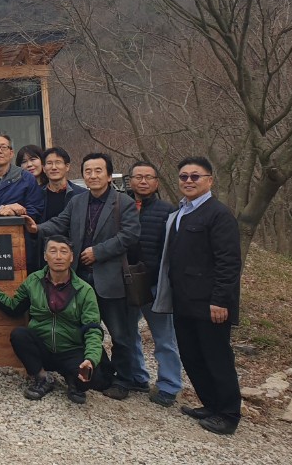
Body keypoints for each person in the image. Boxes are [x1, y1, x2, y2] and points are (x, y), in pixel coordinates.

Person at [23, 152, 143, 400]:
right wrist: (37, 228)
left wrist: (98, 251)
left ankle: (124, 380)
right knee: (83, 329)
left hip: (110, 279)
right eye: (88, 171)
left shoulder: (124, 202)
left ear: (109, 176)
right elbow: (60, 223)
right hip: (79, 278)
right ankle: (94, 373)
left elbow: (130, 235)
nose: (93, 175)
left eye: (98, 171)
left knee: (119, 334)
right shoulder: (77, 201)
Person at [154, 157, 243, 435]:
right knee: (192, 356)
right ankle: (211, 405)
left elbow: (229, 262)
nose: (189, 181)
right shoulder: (180, 212)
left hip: (211, 304)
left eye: (195, 176)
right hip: (184, 301)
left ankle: (228, 414)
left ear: (210, 180)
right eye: (184, 176)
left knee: (217, 358)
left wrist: (220, 300)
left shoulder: (219, 214)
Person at [0, 235, 109, 404]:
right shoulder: (33, 281)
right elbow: (13, 307)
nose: (58, 256)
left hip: (71, 349)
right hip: (43, 347)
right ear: (45, 256)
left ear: (71, 257)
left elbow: (92, 329)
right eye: (53, 251)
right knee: (19, 335)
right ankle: (42, 377)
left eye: (64, 252)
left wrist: (90, 359)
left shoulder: (85, 290)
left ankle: (72, 380)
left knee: (91, 378)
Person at [127, 160, 183, 407]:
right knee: (127, 334)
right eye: (138, 177)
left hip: (155, 284)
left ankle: (169, 385)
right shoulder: (122, 206)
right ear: (130, 181)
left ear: (156, 182)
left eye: (148, 177)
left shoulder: (168, 211)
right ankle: (137, 376)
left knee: (164, 338)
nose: (143, 181)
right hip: (126, 282)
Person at [40, 147, 84, 224]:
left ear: (67, 167)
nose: (54, 167)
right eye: (49, 163)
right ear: (44, 168)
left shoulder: (81, 194)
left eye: (58, 162)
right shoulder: (37, 194)